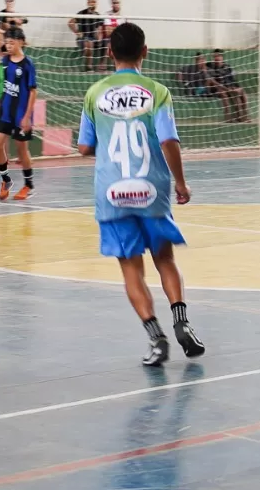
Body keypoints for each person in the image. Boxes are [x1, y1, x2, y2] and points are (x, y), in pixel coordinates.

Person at [75, 21, 200, 367]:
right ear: (145, 51)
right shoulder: (158, 92)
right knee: (165, 259)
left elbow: (84, 147)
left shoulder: (94, 93)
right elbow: (168, 140)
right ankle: (181, 322)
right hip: (151, 187)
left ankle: (156, 337)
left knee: (131, 269)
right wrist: (180, 182)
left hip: (112, 192)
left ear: (109, 53)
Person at [0, 27, 38, 200]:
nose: (8, 46)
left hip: (21, 114)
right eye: (7, 43)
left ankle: (29, 185)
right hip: (6, 111)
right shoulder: (5, 60)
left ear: (20, 42)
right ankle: (6, 180)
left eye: (12, 43)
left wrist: (27, 117)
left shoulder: (28, 65)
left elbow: (33, 92)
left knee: (21, 150)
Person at [206, 49, 248, 122]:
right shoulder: (210, 67)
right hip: (217, 89)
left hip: (228, 87)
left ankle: (244, 116)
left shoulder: (227, 67)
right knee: (226, 94)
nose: (217, 58)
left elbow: (232, 80)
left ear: (222, 57)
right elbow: (213, 82)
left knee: (241, 92)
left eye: (219, 56)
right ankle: (228, 117)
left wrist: (234, 87)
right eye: (215, 56)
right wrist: (228, 89)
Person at [70, 0, 103, 70]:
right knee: (88, 43)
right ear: (88, 3)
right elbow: (70, 23)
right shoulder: (82, 13)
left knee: (103, 42)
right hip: (82, 38)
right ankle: (88, 66)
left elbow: (100, 29)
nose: (93, 4)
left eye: (94, 2)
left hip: (93, 38)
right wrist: (77, 32)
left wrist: (99, 36)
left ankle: (97, 66)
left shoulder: (98, 15)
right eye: (91, 2)